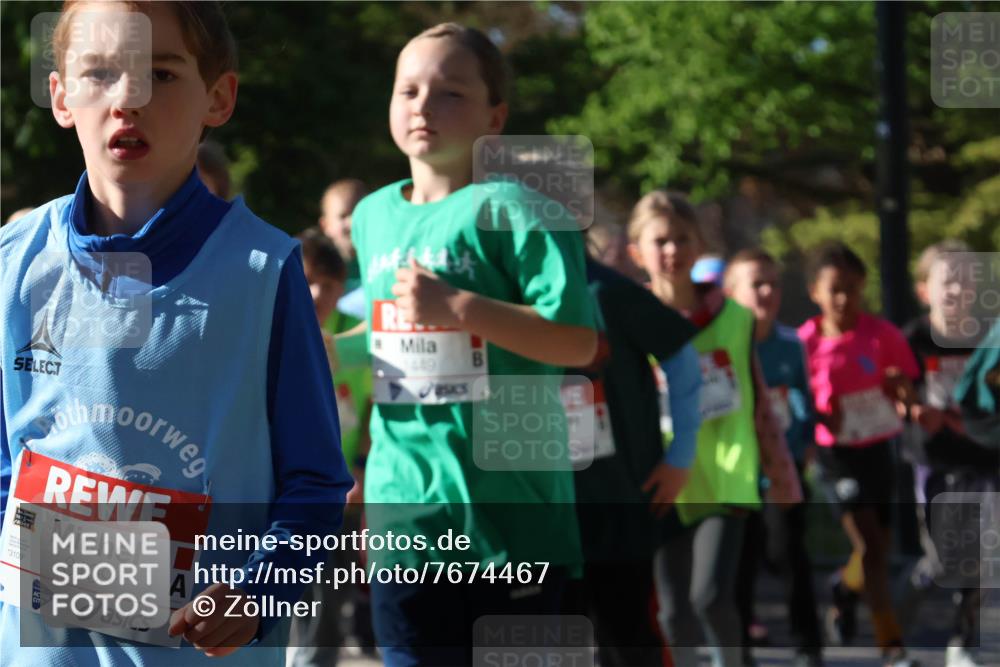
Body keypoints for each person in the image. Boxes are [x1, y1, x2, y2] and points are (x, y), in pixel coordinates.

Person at [0, 2, 353, 665]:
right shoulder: (13, 257)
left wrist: (257, 592)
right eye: (99, 73)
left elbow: (315, 483)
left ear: (218, 98)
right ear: (60, 95)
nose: (128, 98)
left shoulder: (264, 271)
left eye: (161, 74)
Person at [348, 23, 597, 666]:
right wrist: (317, 351)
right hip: (406, 517)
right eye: (408, 90)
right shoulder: (372, 215)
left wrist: (460, 307)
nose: (424, 107)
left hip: (512, 522)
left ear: (496, 115)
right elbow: (381, 334)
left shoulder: (522, 208)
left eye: (451, 93)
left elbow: (576, 342)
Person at [626, 190, 801, 667]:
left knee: (710, 597)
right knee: (673, 611)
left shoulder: (735, 318)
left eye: (683, 239)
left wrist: (781, 471)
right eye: (660, 240)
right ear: (636, 251)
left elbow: (760, 399)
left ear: (699, 245)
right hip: (661, 479)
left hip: (726, 473)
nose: (672, 251)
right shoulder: (628, 318)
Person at [565, 240, 702, 666]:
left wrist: (681, 456)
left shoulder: (605, 291)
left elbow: (683, 362)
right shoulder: (501, 292)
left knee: (627, 638)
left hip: (616, 501)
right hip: (540, 507)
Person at [797, 241, 920, 667]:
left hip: (876, 450)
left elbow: (908, 391)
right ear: (815, 291)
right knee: (869, 545)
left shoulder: (882, 334)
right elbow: (793, 399)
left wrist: (898, 388)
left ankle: (844, 588)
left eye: (853, 288)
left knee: (876, 550)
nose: (844, 299)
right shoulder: (805, 343)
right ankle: (892, 646)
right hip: (837, 458)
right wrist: (814, 419)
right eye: (835, 289)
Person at [900, 241, 997, 667]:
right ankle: (922, 574)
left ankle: (962, 641)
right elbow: (897, 392)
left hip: (982, 459)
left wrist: (963, 419)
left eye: (966, 282)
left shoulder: (988, 339)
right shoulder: (913, 340)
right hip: (934, 461)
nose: (958, 291)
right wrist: (912, 409)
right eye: (948, 282)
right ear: (925, 291)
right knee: (946, 560)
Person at [725, 249, 824, 667]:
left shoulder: (790, 344)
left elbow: (803, 398)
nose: (767, 292)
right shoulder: (723, 342)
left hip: (781, 469)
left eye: (773, 283)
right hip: (736, 471)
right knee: (739, 567)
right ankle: (738, 651)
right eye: (756, 283)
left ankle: (808, 647)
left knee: (789, 554)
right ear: (731, 294)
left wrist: (799, 446)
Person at [319, 179, 367, 294]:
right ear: (326, 226)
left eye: (359, 214)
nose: (352, 222)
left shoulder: (382, 263)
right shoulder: (317, 274)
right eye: (343, 216)